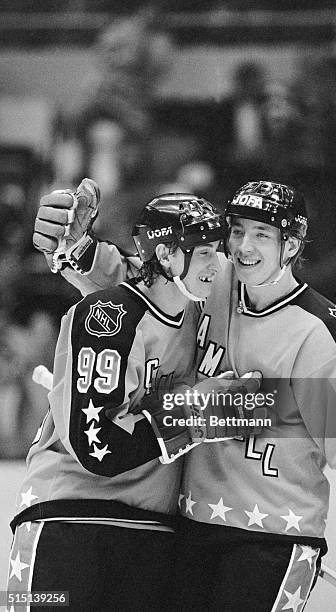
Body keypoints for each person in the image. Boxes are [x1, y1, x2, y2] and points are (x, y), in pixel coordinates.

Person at [32, 180, 336, 611]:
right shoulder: (212, 281)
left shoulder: (319, 330)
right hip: (191, 529)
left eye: (262, 234)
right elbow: (145, 280)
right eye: (238, 230)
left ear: (292, 245)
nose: (243, 246)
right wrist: (79, 250)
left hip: (273, 539)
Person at [8, 192, 233, 611]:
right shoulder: (106, 315)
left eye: (217, 251)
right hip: (66, 521)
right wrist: (193, 413)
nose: (216, 264)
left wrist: (81, 251)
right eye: (204, 252)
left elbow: (131, 269)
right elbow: (100, 447)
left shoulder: (196, 314)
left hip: (150, 530)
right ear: (166, 254)